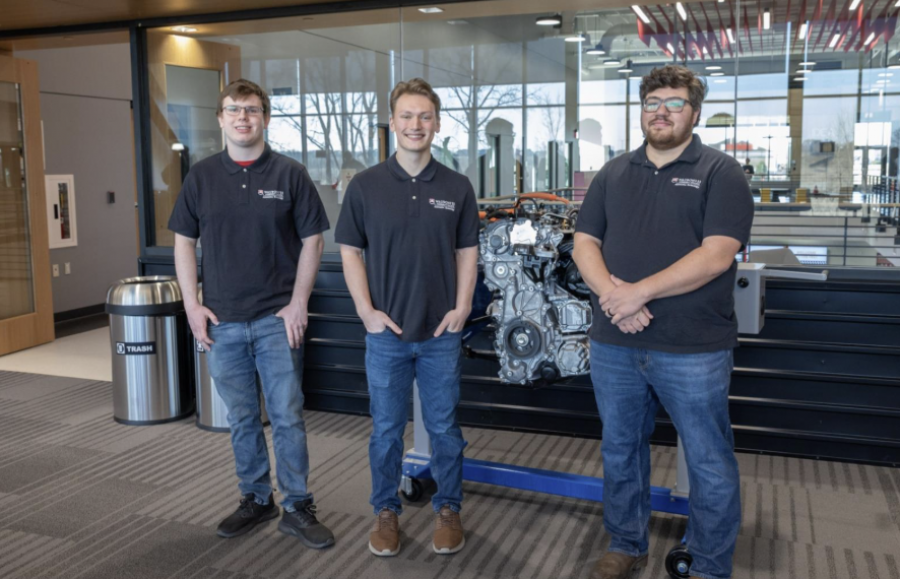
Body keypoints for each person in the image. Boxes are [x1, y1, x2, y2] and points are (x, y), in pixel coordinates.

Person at [573, 64, 754, 579]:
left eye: (674, 103)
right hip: (615, 342)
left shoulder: (721, 173)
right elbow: (584, 242)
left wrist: (638, 293)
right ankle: (626, 542)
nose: (661, 112)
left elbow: (716, 255)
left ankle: (709, 563)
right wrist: (614, 299)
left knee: (708, 458)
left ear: (694, 113)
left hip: (693, 346)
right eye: (652, 103)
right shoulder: (612, 173)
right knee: (620, 448)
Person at [169, 79, 335, 549]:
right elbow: (184, 243)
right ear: (220, 119)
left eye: (252, 109)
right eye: (233, 109)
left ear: (265, 118)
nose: (243, 117)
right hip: (222, 322)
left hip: (275, 321)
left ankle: (297, 505)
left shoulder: (290, 174)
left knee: (286, 416)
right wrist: (192, 305)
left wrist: (298, 302)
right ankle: (257, 498)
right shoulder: (201, 177)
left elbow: (313, 241)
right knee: (242, 418)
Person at [334, 78, 479, 558]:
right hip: (387, 335)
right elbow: (350, 251)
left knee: (445, 430)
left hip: (440, 333)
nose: (416, 124)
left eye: (425, 116)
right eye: (407, 116)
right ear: (393, 123)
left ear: (436, 124)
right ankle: (385, 511)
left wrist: (462, 307)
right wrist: (366, 311)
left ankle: (448, 508)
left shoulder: (457, 186)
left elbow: (467, 252)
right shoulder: (365, 186)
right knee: (386, 431)